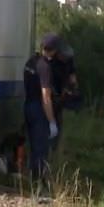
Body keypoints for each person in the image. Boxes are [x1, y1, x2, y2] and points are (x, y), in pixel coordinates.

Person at [23, 33, 65, 194]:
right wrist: (52, 121)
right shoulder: (45, 67)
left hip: (28, 106)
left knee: (33, 146)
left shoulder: (31, 62)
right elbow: (46, 96)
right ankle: (40, 186)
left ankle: (32, 181)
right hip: (40, 110)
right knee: (41, 149)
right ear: (54, 51)